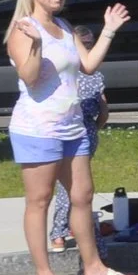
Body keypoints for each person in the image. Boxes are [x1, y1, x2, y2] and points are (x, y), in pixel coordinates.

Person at [6, 0, 133, 275]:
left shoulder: (63, 26)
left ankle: (93, 268)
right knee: (40, 200)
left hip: (72, 126)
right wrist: (34, 45)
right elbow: (31, 78)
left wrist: (108, 30)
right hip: (38, 129)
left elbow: (88, 65)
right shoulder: (23, 29)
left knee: (82, 196)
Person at [46, 24, 108, 252]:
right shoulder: (92, 75)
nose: (90, 48)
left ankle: (61, 233)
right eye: (88, 45)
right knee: (75, 188)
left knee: (70, 187)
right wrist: (94, 127)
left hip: (69, 129)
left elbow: (103, 110)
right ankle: (62, 231)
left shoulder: (63, 72)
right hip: (82, 131)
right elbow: (103, 111)